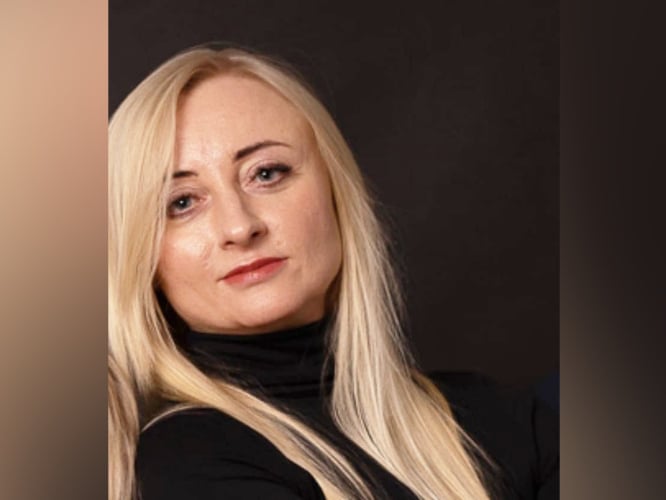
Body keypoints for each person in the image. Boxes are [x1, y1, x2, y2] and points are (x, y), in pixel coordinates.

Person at [108, 46, 558, 500]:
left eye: (266, 173)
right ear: (144, 259)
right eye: (181, 203)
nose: (240, 227)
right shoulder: (184, 464)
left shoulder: (500, 418)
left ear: (336, 189)